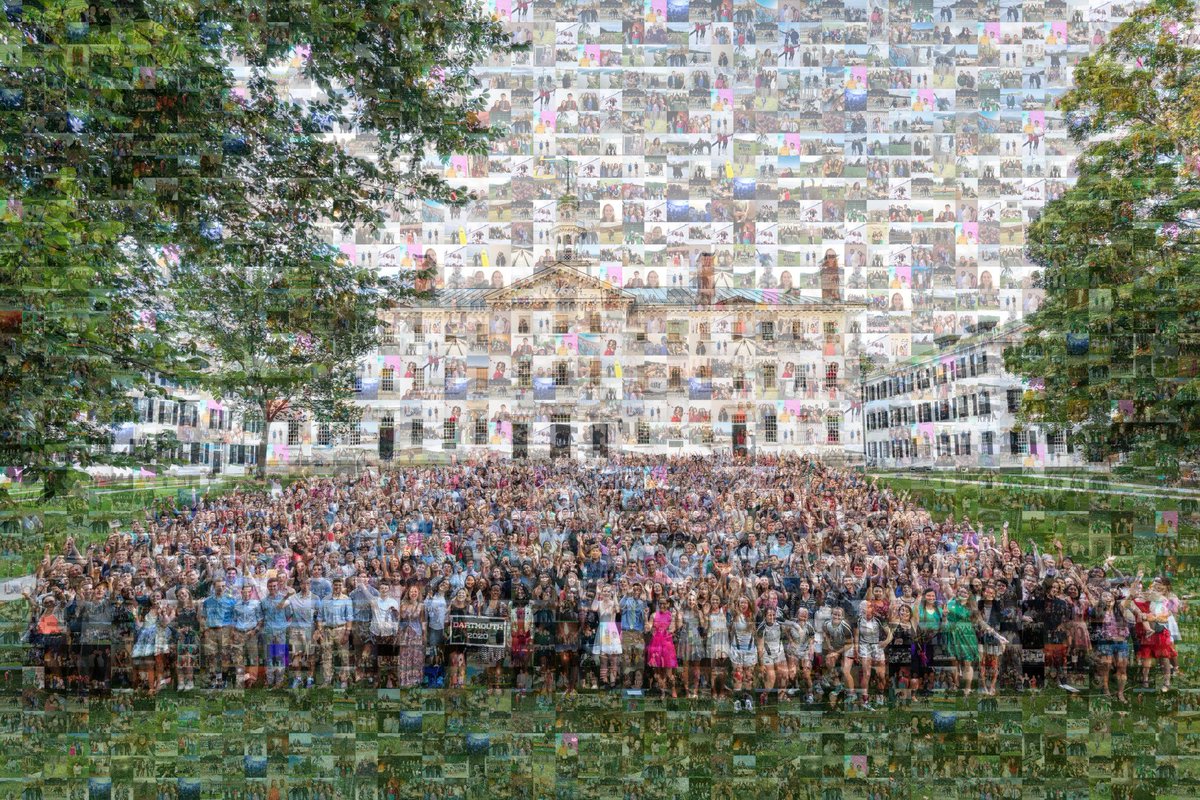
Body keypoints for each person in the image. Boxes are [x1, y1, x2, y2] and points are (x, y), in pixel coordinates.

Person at [645, 597, 679, 697]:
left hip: (667, 645)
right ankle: (663, 691)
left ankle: (673, 689)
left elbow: (672, 629)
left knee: (669, 673)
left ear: (668, 604)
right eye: (660, 603)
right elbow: (647, 629)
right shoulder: (653, 615)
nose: (662, 605)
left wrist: (673, 617)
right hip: (655, 646)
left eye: (664, 603)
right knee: (657, 672)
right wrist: (645, 616)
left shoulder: (670, 615)